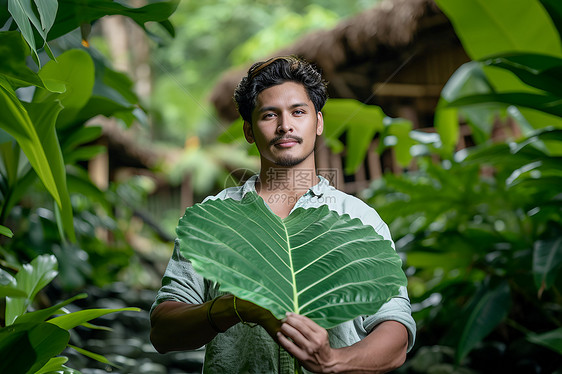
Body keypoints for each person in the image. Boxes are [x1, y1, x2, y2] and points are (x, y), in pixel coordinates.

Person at [150, 56, 416, 373]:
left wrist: (334, 361)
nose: (285, 125)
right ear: (249, 130)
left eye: (298, 112)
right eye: (269, 115)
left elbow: (395, 329)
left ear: (318, 122)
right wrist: (234, 307)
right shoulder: (212, 221)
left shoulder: (360, 219)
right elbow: (162, 332)